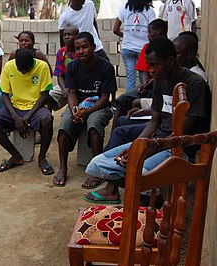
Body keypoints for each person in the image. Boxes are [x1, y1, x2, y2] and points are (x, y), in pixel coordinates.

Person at [83, 37, 211, 204]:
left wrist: (148, 150)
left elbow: (180, 133)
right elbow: (154, 121)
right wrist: (137, 146)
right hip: (156, 142)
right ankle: (150, 195)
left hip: (179, 148)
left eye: (155, 65)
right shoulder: (160, 81)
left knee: (140, 171)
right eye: (149, 65)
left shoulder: (194, 84)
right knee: (96, 164)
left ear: (170, 61)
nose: (150, 70)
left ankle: (148, 202)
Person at [53, 32, 116, 187]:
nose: (81, 51)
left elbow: (104, 97)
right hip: (79, 104)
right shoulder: (73, 66)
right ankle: (63, 167)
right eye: (77, 48)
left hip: (99, 106)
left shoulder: (106, 67)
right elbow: (71, 92)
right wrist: (76, 110)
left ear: (93, 47)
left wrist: (88, 111)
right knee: (65, 124)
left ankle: (97, 170)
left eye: (85, 47)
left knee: (94, 124)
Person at [0, 48, 54, 174]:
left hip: (35, 108)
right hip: (16, 107)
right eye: (20, 70)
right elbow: (5, 94)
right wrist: (15, 117)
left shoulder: (42, 66)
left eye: (26, 70)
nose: (23, 73)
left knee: (47, 119)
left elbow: (45, 95)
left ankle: (42, 158)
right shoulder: (9, 66)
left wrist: (28, 116)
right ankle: (16, 156)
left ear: (32, 63)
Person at [111, 18, 167, 130]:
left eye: (150, 32)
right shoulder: (147, 47)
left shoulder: (169, 48)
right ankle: (114, 132)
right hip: (149, 87)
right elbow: (144, 72)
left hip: (163, 88)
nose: (148, 35)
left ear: (158, 32)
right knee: (122, 100)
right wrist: (145, 84)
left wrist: (152, 81)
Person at [113, 0, 156, 92]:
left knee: (130, 80)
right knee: (143, 80)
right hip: (143, 50)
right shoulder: (149, 11)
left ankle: (128, 104)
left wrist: (127, 36)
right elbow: (154, 29)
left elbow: (115, 29)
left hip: (127, 47)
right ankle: (141, 101)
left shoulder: (124, 9)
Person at [51, 25, 79, 111]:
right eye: (64, 35)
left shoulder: (81, 52)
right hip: (65, 85)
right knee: (48, 96)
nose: (66, 37)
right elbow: (59, 75)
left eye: (70, 35)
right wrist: (63, 89)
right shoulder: (61, 52)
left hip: (81, 86)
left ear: (77, 36)